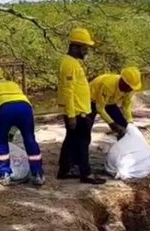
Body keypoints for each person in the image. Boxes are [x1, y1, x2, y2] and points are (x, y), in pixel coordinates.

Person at [57, 28, 106, 185]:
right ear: (74, 47)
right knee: (82, 141)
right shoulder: (69, 64)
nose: (86, 51)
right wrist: (71, 115)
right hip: (77, 112)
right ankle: (86, 174)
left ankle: (64, 170)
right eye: (84, 47)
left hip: (79, 110)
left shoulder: (72, 63)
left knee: (71, 140)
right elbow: (68, 91)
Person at [0, 70, 44, 187]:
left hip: (4, 109)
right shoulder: (12, 83)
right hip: (25, 108)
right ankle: (38, 173)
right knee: (30, 139)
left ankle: (5, 174)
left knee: (1, 142)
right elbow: (17, 105)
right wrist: (12, 132)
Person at [89, 67, 142, 139]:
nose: (130, 89)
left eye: (132, 88)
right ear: (122, 81)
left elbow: (126, 105)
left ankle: (125, 147)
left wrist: (130, 120)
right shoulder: (107, 85)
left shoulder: (129, 89)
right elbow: (100, 108)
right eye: (129, 87)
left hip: (109, 102)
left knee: (123, 126)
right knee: (85, 129)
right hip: (91, 101)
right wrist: (111, 123)